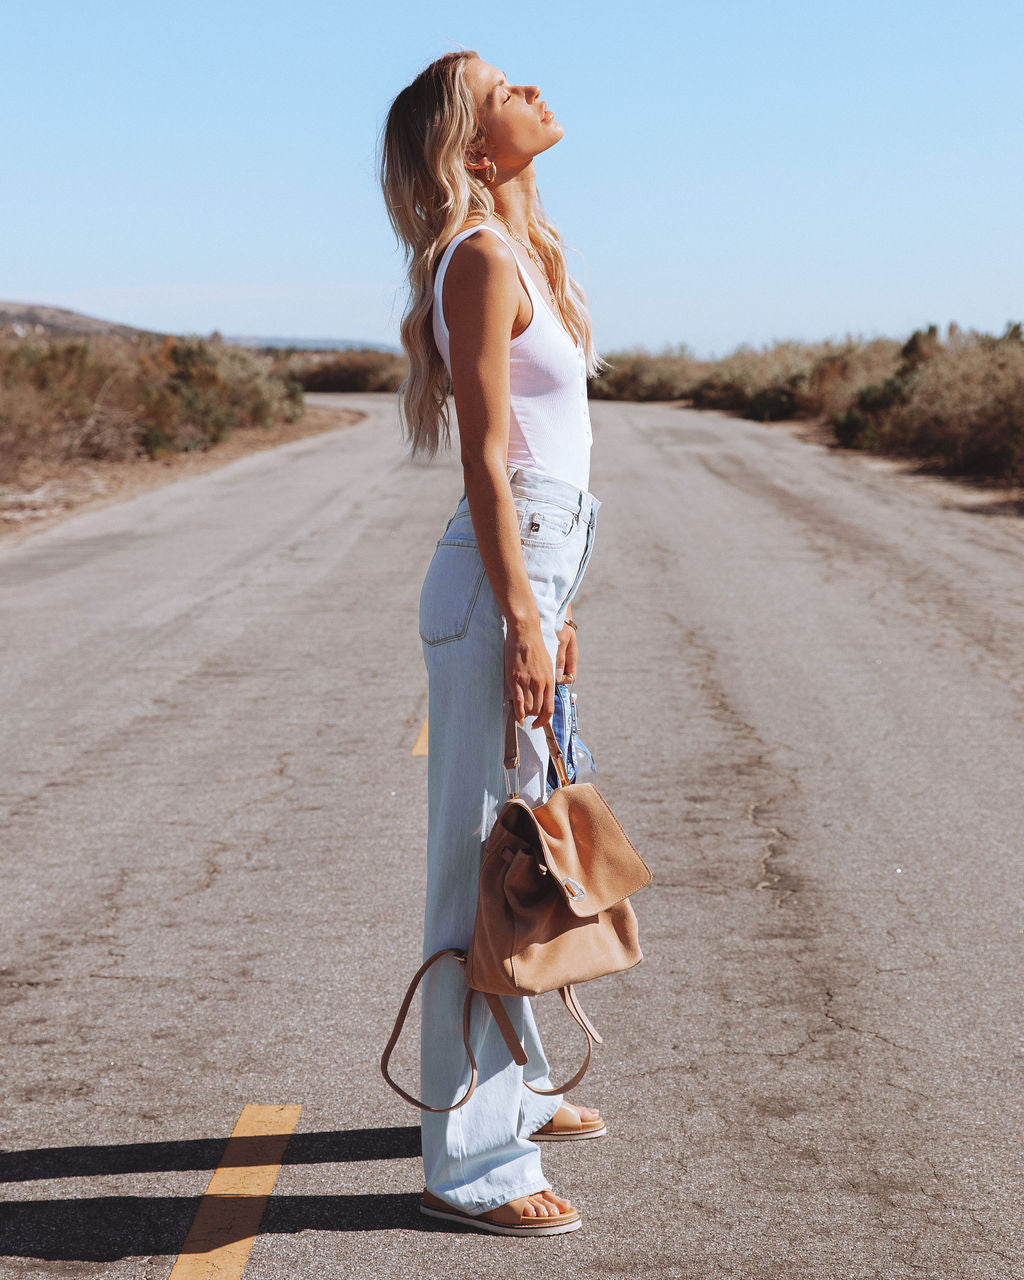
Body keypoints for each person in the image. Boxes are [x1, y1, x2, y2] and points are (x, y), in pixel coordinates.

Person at [380, 50, 605, 1238]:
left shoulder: (515, 253)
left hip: (528, 564)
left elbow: (545, 467)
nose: (535, 87)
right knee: (481, 860)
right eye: (504, 84)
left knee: (521, 849)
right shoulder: (474, 260)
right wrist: (521, 610)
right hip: (493, 576)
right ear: (474, 146)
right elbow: (486, 457)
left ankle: (501, 1079)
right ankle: (468, 1161)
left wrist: (551, 604)